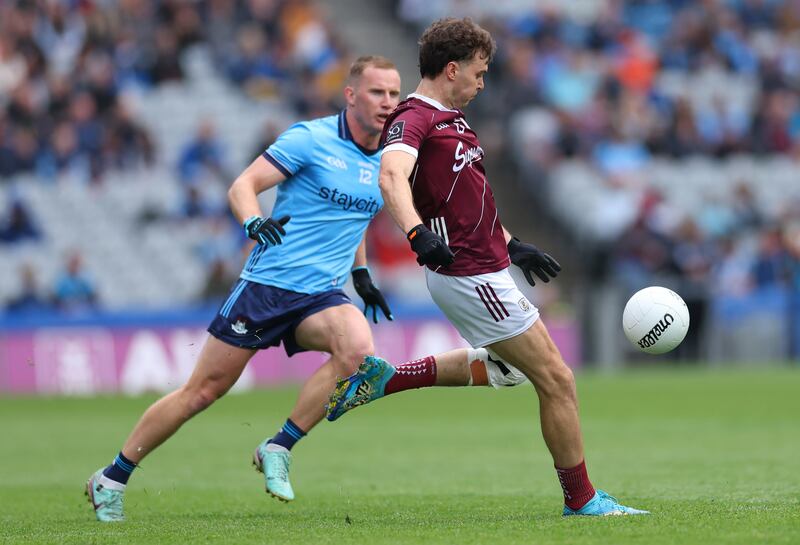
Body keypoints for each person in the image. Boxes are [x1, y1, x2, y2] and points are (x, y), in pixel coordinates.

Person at [325, 19, 649, 517]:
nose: (482, 82)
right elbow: (391, 178)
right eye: (478, 72)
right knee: (557, 379)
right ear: (452, 69)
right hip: (468, 273)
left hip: (490, 264)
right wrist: (416, 233)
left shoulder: (454, 121)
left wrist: (513, 244)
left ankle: (389, 378)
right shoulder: (413, 118)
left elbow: (469, 202)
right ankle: (582, 499)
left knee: (508, 370)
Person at [85, 56, 404, 522]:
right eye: (378, 92)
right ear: (351, 95)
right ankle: (112, 477)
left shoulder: (389, 160)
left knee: (358, 352)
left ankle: (279, 446)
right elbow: (243, 185)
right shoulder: (310, 139)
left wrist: (361, 275)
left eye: (394, 93)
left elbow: (352, 216)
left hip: (321, 295)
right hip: (267, 287)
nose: (388, 102)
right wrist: (254, 222)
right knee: (201, 393)